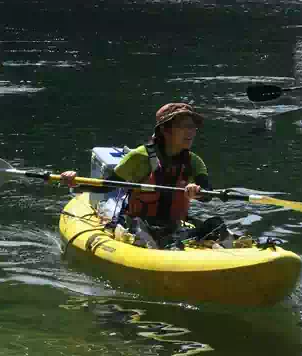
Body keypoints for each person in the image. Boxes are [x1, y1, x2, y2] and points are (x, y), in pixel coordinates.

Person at [59, 103, 230, 248]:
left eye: (192, 127)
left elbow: (208, 193)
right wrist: (75, 184)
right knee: (141, 231)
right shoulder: (140, 157)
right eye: (183, 126)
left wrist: (198, 192)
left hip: (174, 227)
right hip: (139, 224)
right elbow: (108, 185)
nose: (190, 132)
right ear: (165, 129)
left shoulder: (194, 161)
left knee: (217, 225)